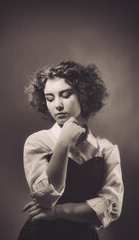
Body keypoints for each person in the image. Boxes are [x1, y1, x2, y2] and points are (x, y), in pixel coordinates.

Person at [18, 60, 124, 240]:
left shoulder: (106, 149)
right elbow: (45, 199)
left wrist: (59, 211)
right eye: (49, 98)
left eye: (65, 95)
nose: (57, 105)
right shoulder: (37, 142)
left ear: (84, 96)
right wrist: (63, 143)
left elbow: (111, 206)